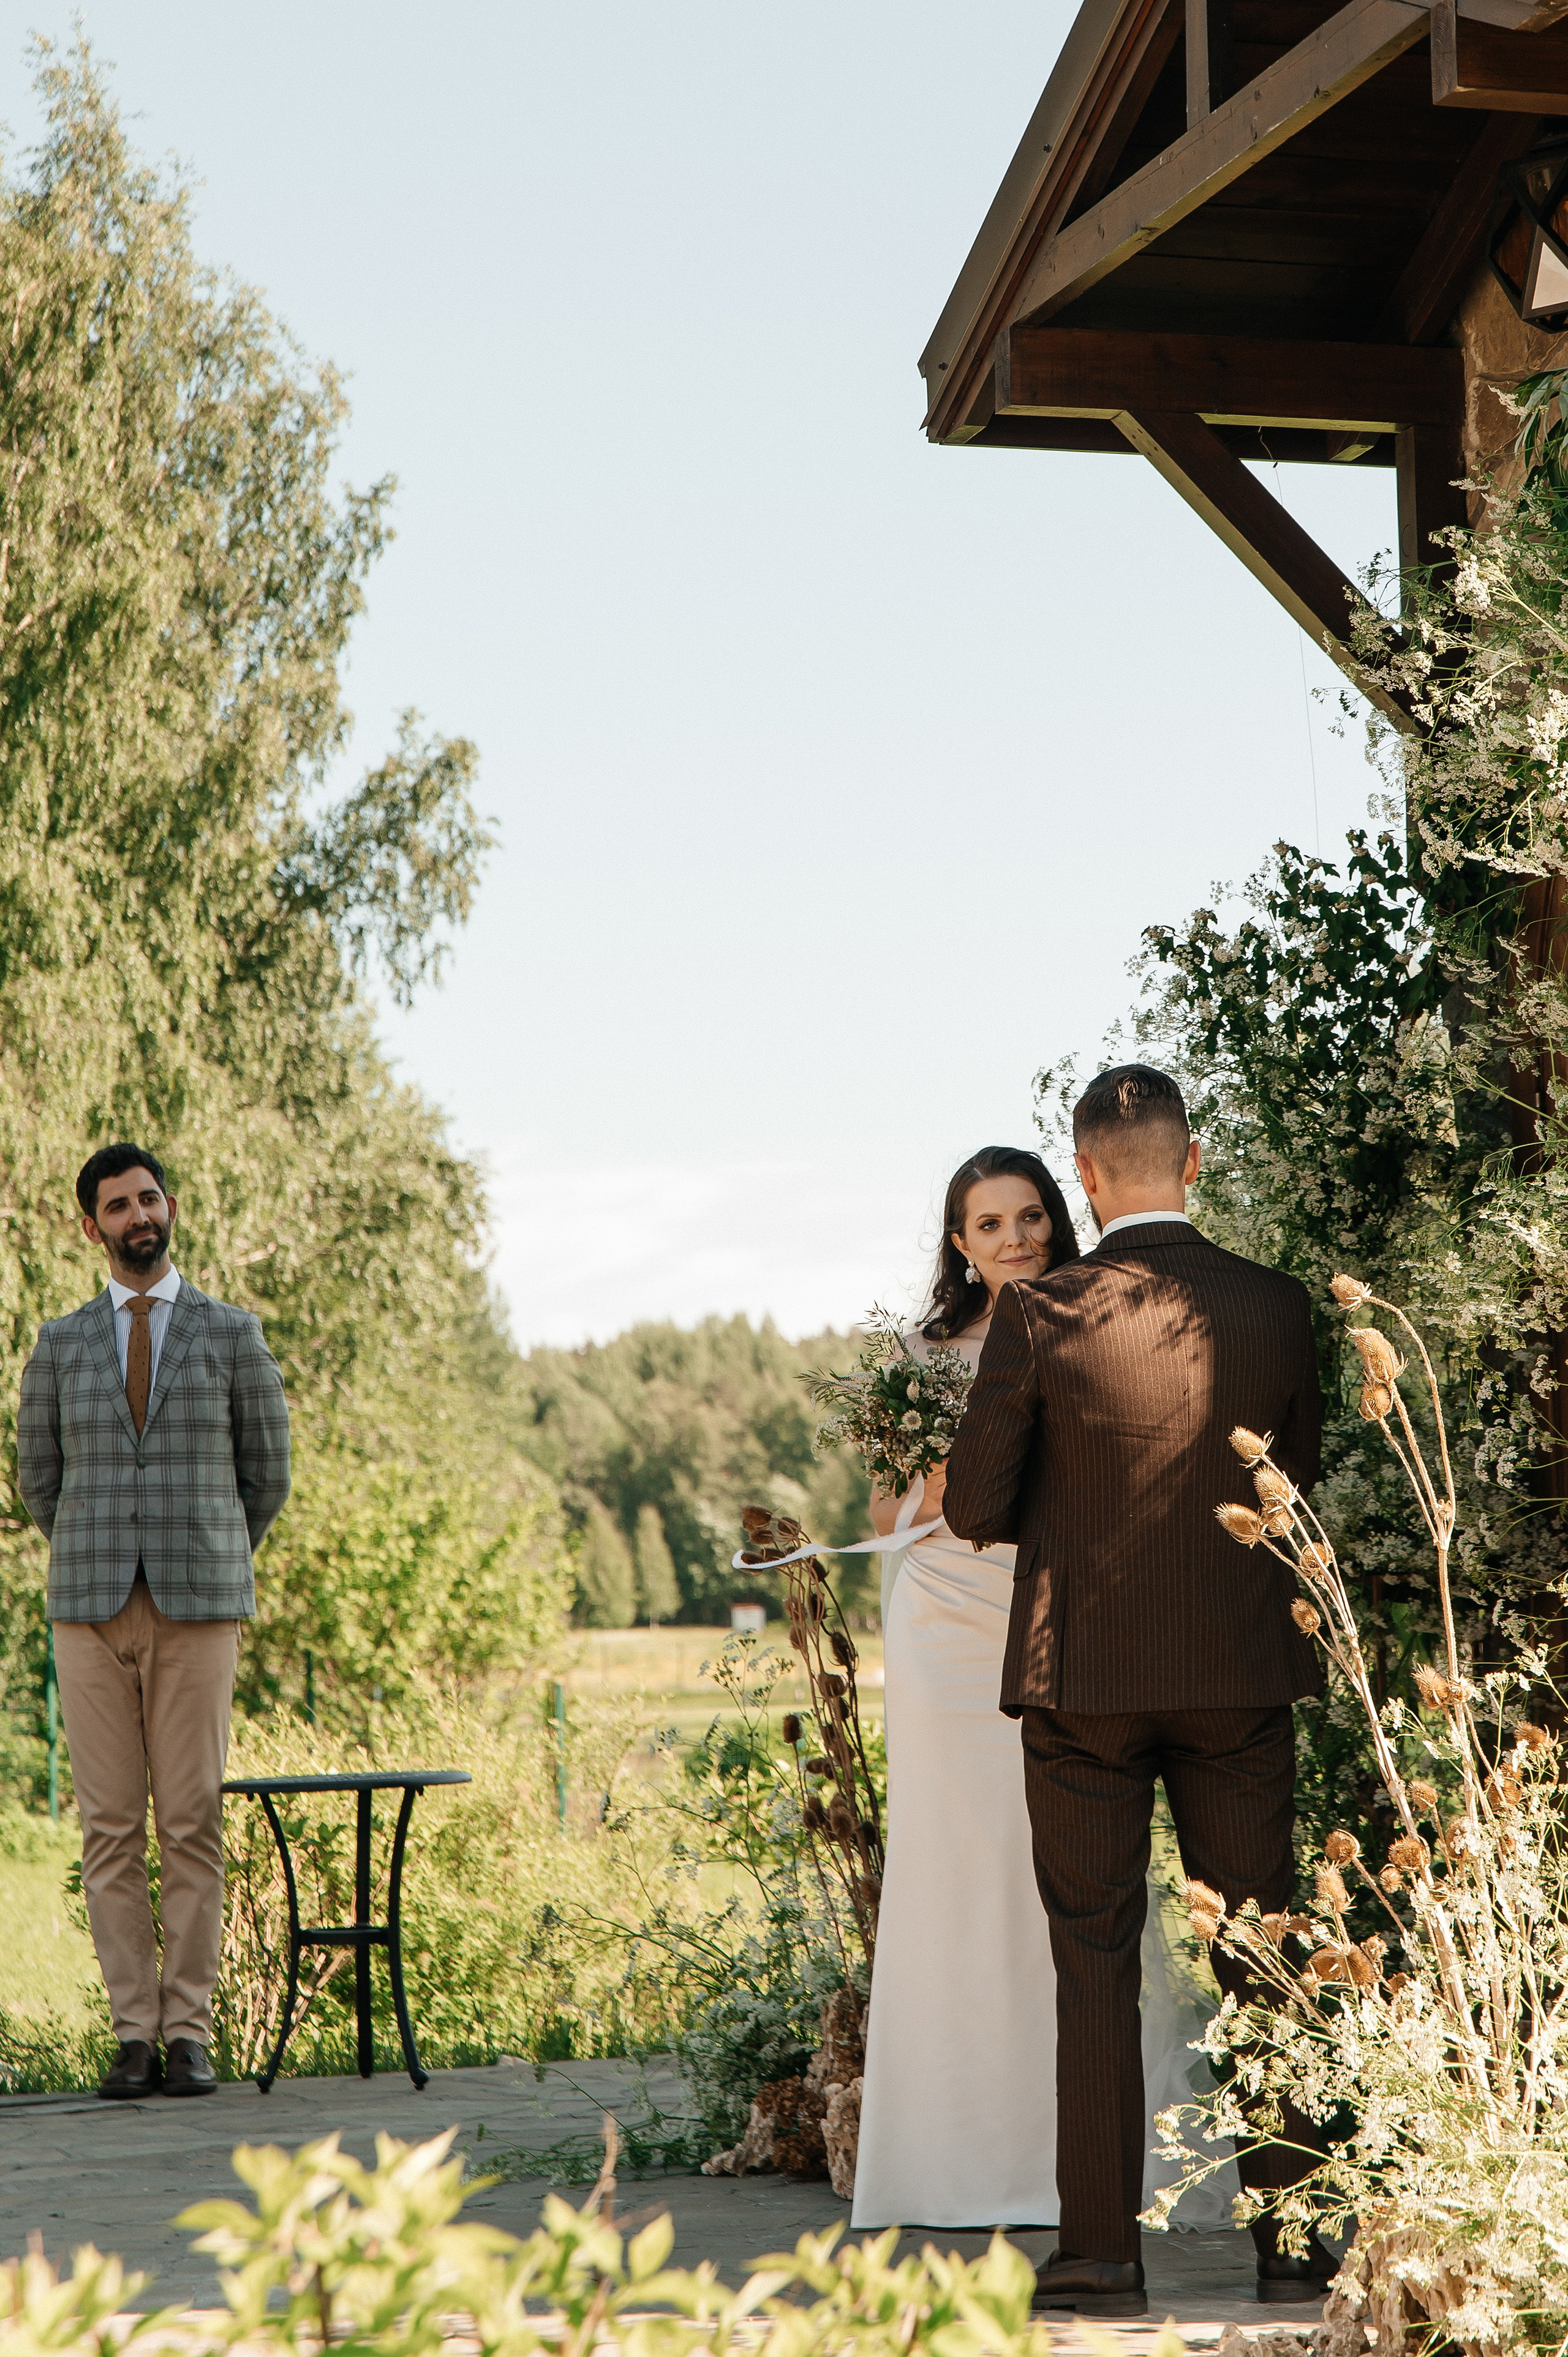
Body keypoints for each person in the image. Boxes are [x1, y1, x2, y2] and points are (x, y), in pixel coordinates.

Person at [944, 1067, 1332, 2315]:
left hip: (1084, 1685)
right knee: (1262, 1953)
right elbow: (1292, 1481)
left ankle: (1100, 2257)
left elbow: (970, 1505)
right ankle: (1291, 2240)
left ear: (1090, 1177)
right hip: (1235, 1674)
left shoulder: (1041, 1311)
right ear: (1196, 1159)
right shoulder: (1274, 1306)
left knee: (1093, 1959)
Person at [17, 1144, 291, 2100]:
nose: (138, 1216)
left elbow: (268, 1477)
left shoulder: (232, 1335)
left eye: (148, 1199)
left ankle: (190, 2036)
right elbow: (37, 1482)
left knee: (192, 1822)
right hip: (90, 1611)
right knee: (107, 1830)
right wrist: (102, 1545)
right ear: (90, 1227)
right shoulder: (59, 1344)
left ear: (169, 1208)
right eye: (117, 1206)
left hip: (200, 1609)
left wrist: (211, 1549)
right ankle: (132, 2034)